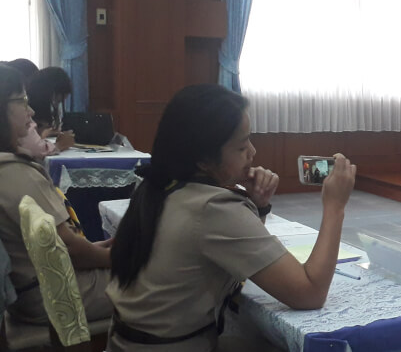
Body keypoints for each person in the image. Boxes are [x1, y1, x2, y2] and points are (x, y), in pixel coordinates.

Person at [106, 84, 356, 351]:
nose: (253, 152)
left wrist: (258, 206)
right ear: (204, 160)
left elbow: (239, 254)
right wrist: (335, 207)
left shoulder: (160, 186)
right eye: (241, 146)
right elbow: (310, 292)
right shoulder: (214, 208)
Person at [0, 63, 113, 324]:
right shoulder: (16, 173)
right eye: (22, 101)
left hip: (32, 291)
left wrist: (94, 248)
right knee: (159, 277)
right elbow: (72, 250)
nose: (30, 111)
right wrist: (118, 258)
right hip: (59, 293)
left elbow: (59, 246)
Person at [26, 66, 74, 144]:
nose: (56, 105)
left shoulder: (45, 112)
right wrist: (42, 136)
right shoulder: (27, 113)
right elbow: (30, 144)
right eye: (56, 101)